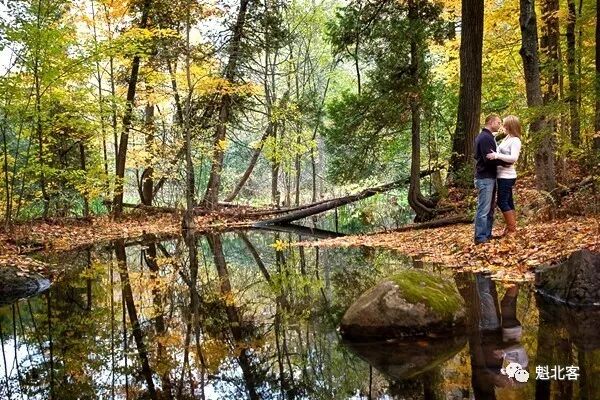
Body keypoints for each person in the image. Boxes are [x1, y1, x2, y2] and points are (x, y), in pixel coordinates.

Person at [486, 115, 522, 237]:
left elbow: (513, 158)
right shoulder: (507, 138)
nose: (503, 126)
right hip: (501, 174)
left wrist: (497, 156)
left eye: (505, 124)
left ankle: (512, 230)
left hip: (507, 176)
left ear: (510, 126)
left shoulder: (515, 140)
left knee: (502, 202)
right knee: (508, 201)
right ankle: (511, 228)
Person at [473, 114, 502, 244]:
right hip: (485, 177)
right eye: (498, 122)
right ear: (491, 122)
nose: (500, 125)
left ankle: (487, 234)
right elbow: (488, 159)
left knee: (489, 208)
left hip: (488, 177)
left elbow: (477, 156)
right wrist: (504, 162)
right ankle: (480, 237)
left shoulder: (486, 136)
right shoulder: (485, 137)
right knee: (484, 209)